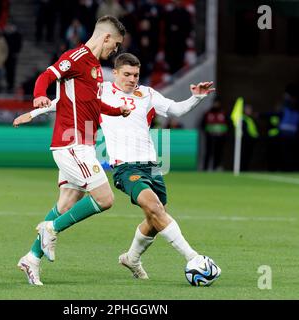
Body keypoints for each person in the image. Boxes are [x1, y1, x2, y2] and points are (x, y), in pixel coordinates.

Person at [14, 53, 221, 283]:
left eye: (136, 75)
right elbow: (64, 102)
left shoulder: (148, 94)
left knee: (155, 217)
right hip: (125, 167)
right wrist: (33, 113)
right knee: (153, 207)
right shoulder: (101, 90)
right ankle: (193, 258)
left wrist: (196, 98)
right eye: (127, 74)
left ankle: (131, 258)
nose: (132, 79)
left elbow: (176, 109)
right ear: (115, 73)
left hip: (152, 167)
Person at [16, 15, 127, 286]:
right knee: (105, 199)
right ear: (106, 38)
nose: (116, 51)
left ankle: (31, 259)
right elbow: (47, 75)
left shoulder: (97, 68)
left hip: (84, 144)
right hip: (71, 144)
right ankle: (50, 228)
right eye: (115, 46)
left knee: (66, 203)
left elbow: (94, 103)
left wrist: (117, 110)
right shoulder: (77, 56)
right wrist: (38, 96)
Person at [201, 97, 228, 171]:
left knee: (218, 153)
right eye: (215, 103)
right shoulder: (208, 113)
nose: (216, 104)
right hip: (210, 137)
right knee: (208, 152)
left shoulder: (223, 113)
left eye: (217, 103)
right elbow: (203, 125)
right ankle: (205, 168)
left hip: (220, 137)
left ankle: (216, 167)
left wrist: (224, 134)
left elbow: (228, 125)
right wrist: (208, 133)